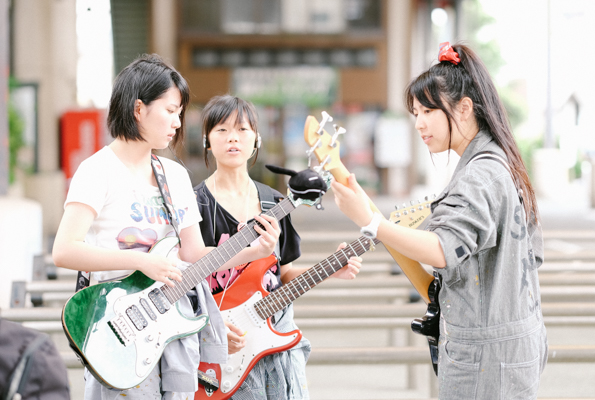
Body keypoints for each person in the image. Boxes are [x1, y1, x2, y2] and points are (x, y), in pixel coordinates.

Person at [52, 55, 281, 399]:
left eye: (179, 112)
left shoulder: (174, 175)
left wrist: (255, 251)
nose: (177, 121)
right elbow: (65, 250)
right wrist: (141, 262)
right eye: (170, 110)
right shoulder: (97, 170)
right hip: (118, 327)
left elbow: (193, 256)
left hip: (173, 325)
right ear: (138, 108)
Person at [331, 43, 548, 399]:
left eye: (428, 111)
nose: (419, 123)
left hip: (486, 358)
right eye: (415, 113)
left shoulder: (481, 174)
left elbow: (442, 250)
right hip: (512, 345)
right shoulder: (501, 161)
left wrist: (372, 222)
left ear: (464, 109)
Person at [194, 94, 362, 399]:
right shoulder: (195, 205)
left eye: (242, 129)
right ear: (207, 140)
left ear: (256, 139)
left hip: (275, 341)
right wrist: (210, 327)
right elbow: (185, 279)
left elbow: (282, 276)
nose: (233, 137)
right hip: (217, 345)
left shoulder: (275, 204)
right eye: (221, 130)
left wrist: (331, 270)